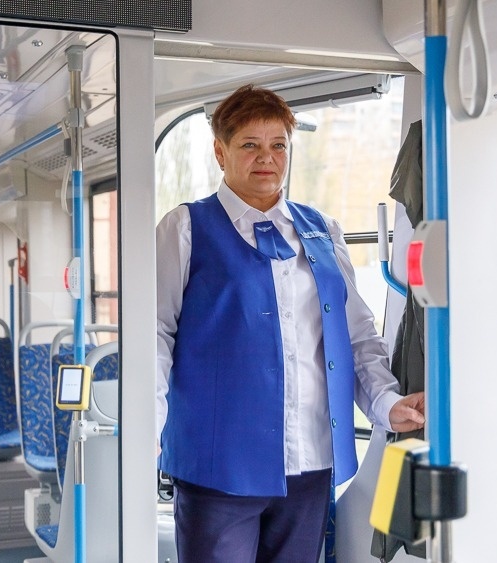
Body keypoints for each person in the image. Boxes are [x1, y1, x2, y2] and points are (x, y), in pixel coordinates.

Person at [156, 83, 425, 563]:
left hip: (310, 461)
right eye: (250, 145)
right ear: (220, 152)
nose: (267, 157)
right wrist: (146, 436)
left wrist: (386, 403)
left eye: (278, 145)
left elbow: (356, 337)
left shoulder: (323, 230)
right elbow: (154, 339)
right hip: (219, 466)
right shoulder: (185, 228)